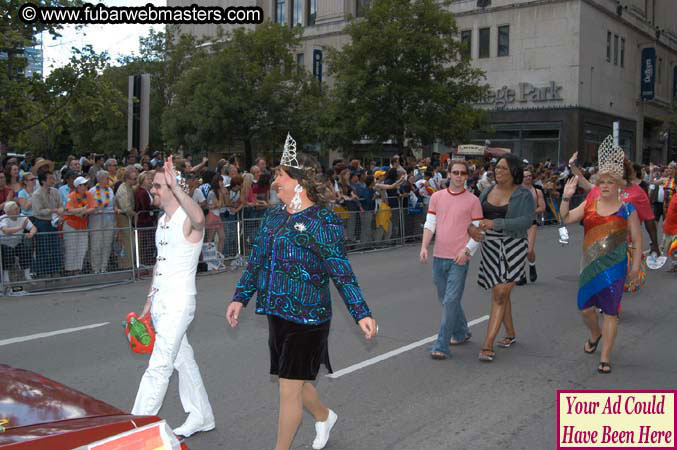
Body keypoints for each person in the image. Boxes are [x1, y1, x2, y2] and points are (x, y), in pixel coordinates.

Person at [226, 136, 377, 450]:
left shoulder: (324, 222)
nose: (274, 180)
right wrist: (240, 297)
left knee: (288, 391)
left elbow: (341, 272)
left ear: (299, 183)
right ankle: (324, 416)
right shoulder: (273, 217)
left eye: (281, 174)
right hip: (277, 313)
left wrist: (361, 312)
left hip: (309, 318)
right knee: (291, 379)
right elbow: (257, 260)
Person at [132, 156, 214, 438]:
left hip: (179, 304)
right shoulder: (163, 220)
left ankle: (136, 430)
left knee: (159, 365)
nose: (152, 189)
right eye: (153, 185)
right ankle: (202, 415)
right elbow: (160, 262)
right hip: (161, 303)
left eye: (157, 185)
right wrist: (148, 301)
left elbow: (200, 219)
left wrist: (177, 186)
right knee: (182, 360)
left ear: (171, 188)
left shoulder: (187, 219)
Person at [559, 136, 642, 374]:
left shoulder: (627, 209)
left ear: (619, 185)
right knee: (585, 309)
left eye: (610, 182)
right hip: (589, 266)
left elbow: (636, 240)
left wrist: (635, 268)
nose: (605, 185)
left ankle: (605, 356)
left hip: (615, 267)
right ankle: (595, 334)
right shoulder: (589, 204)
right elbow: (565, 219)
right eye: (601, 182)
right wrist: (566, 195)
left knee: (611, 312)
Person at [470, 155, 534, 362]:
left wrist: (496, 224)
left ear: (513, 171)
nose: (499, 171)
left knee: (500, 292)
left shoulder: (523, 194)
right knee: (501, 292)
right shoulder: (487, 191)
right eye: (497, 168)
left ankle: (487, 344)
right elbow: (475, 216)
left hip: (513, 245)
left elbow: (525, 221)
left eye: (504, 169)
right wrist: (472, 229)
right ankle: (510, 333)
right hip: (490, 246)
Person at [420, 160, 483, 360]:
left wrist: (466, 251)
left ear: (467, 176)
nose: (458, 176)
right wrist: (423, 247)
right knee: (446, 299)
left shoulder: (473, 201)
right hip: (439, 257)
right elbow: (430, 223)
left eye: (462, 173)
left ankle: (442, 345)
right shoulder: (437, 197)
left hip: (459, 259)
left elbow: (478, 232)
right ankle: (462, 331)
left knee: (450, 301)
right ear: (448, 174)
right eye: (454, 172)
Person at [31, 171, 64, 278]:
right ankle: (43, 272)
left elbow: (61, 205)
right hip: (42, 222)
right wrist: (53, 210)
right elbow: (39, 210)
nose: (53, 180)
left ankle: (55, 270)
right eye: (50, 178)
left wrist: (59, 212)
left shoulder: (56, 191)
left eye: (53, 178)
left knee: (55, 247)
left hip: (54, 221)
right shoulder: (36, 194)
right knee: (43, 248)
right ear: (43, 181)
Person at [517, 167, 546, 285]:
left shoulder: (537, 191)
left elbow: (542, 207)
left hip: (531, 222)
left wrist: (532, 212)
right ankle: (521, 275)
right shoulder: (516, 190)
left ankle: (532, 266)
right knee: (518, 250)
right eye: (525, 176)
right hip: (518, 223)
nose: (528, 178)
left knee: (529, 250)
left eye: (529, 176)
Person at [63, 177, 96, 275]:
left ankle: (78, 269)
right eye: (84, 184)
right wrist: (81, 210)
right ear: (78, 186)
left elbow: (93, 207)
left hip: (82, 225)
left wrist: (83, 211)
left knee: (83, 247)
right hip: (71, 224)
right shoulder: (72, 195)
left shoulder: (89, 194)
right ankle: (70, 269)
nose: (86, 186)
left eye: (86, 184)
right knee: (71, 247)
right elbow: (69, 210)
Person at [0, 201, 36, 283]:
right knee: (8, 253)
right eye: (15, 209)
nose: (18, 210)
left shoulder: (22, 216)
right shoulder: (3, 218)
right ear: (8, 211)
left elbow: (33, 228)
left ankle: (27, 275)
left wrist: (31, 233)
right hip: (4, 243)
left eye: (18, 208)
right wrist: (20, 227)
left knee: (26, 250)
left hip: (17, 243)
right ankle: (6, 278)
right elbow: (6, 231)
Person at [88, 171, 116, 274]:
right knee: (96, 244)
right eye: (106, 178)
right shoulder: (92, 191)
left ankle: (104, 267)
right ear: (100, 179)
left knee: (107, 244)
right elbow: (89, 206)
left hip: (109, 220)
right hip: (96, 220)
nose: (108, 180)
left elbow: (113, 204)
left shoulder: (110, 190)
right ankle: (95, 268)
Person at [135, 170, 158, 267]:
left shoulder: (147, 191)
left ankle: (147, 262)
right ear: (142, 180)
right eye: (148, 179)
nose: (150, 181)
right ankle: (144, 264)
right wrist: (154, 206)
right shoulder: (142, 192)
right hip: (144, 221)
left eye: (150, 179)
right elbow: (145, 207)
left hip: (148, 220)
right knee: (145, 244)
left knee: (149, 243)